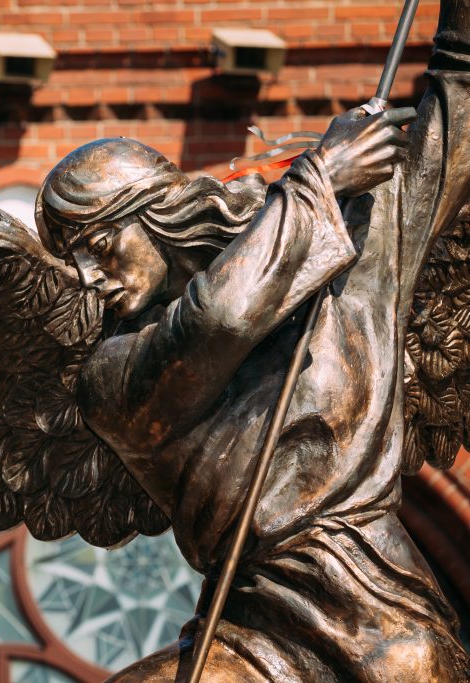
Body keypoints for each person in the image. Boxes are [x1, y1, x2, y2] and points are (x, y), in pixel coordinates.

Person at [36, 2, 470, 680]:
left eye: (99, 246)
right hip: (248, 627)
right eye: (72, 261)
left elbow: (460, 104)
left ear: (158, 216)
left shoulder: (363, 257)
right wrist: (321, 179)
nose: (90, 278)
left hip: (381, 612)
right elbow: (220, 321)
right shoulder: (111, 377)